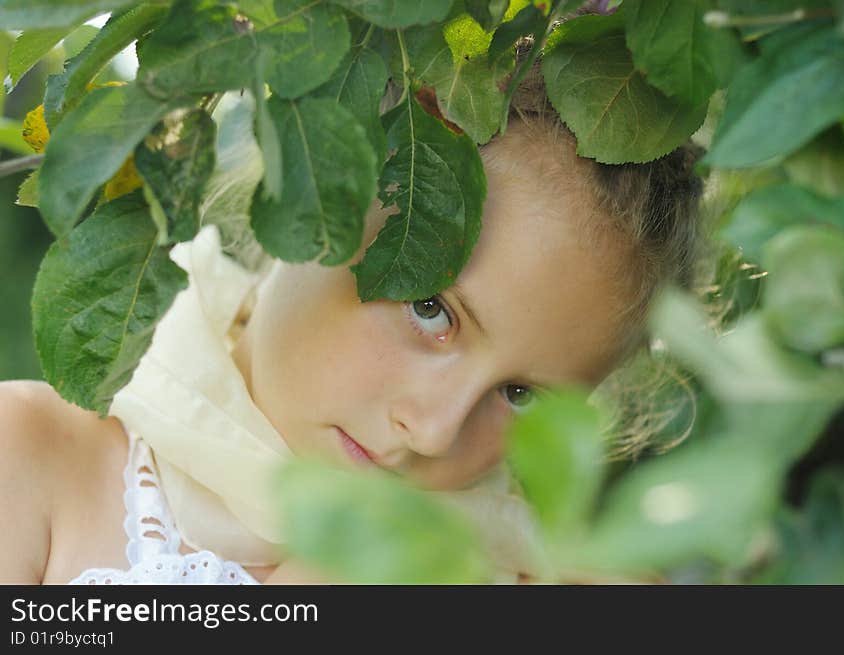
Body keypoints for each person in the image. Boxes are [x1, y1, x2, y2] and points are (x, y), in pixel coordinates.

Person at [0, 62, 705, 585]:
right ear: (315, 192)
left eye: (522, 394)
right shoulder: (31, 459)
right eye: (431, 308)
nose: (434, 431)